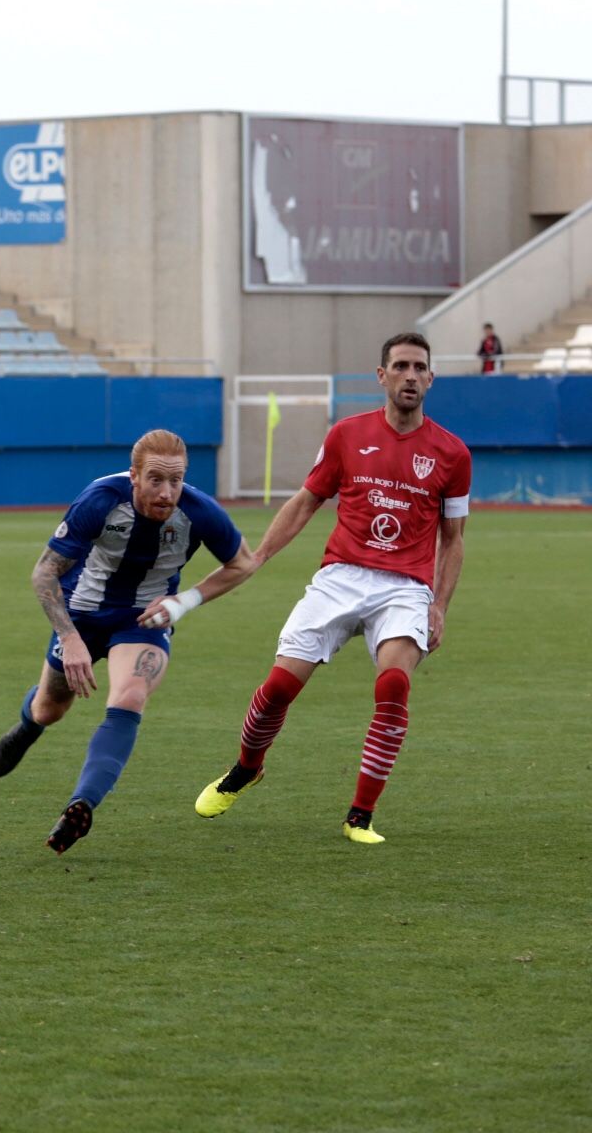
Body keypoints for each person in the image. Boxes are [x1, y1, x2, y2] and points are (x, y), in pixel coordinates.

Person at [189, 332, 470, 845]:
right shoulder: (346, 435)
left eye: (420, 367)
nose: (411, 375)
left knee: (393, 686)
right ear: (382, 376)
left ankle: (360, 815)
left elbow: (453, 539)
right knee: (277, 689)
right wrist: (259, 556)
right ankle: (247, 768)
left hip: (406, 587)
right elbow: (306, 501)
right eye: (401, 366)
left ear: (431, 378)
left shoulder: (452, 453)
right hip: (340, 576)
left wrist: (440, 606)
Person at [0, 430, 256, 852]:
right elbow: (44, 573)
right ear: (134, 476)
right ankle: (29, 725)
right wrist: (69, 637)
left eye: (177, 480)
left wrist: (183, 602)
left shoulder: (200, 511)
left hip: (143, 622)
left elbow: (243, 563)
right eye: (155, 480)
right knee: (50, 708)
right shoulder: (99, 500)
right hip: (81, 615)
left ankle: (82, 804)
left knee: (129, 698)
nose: (167, 493)